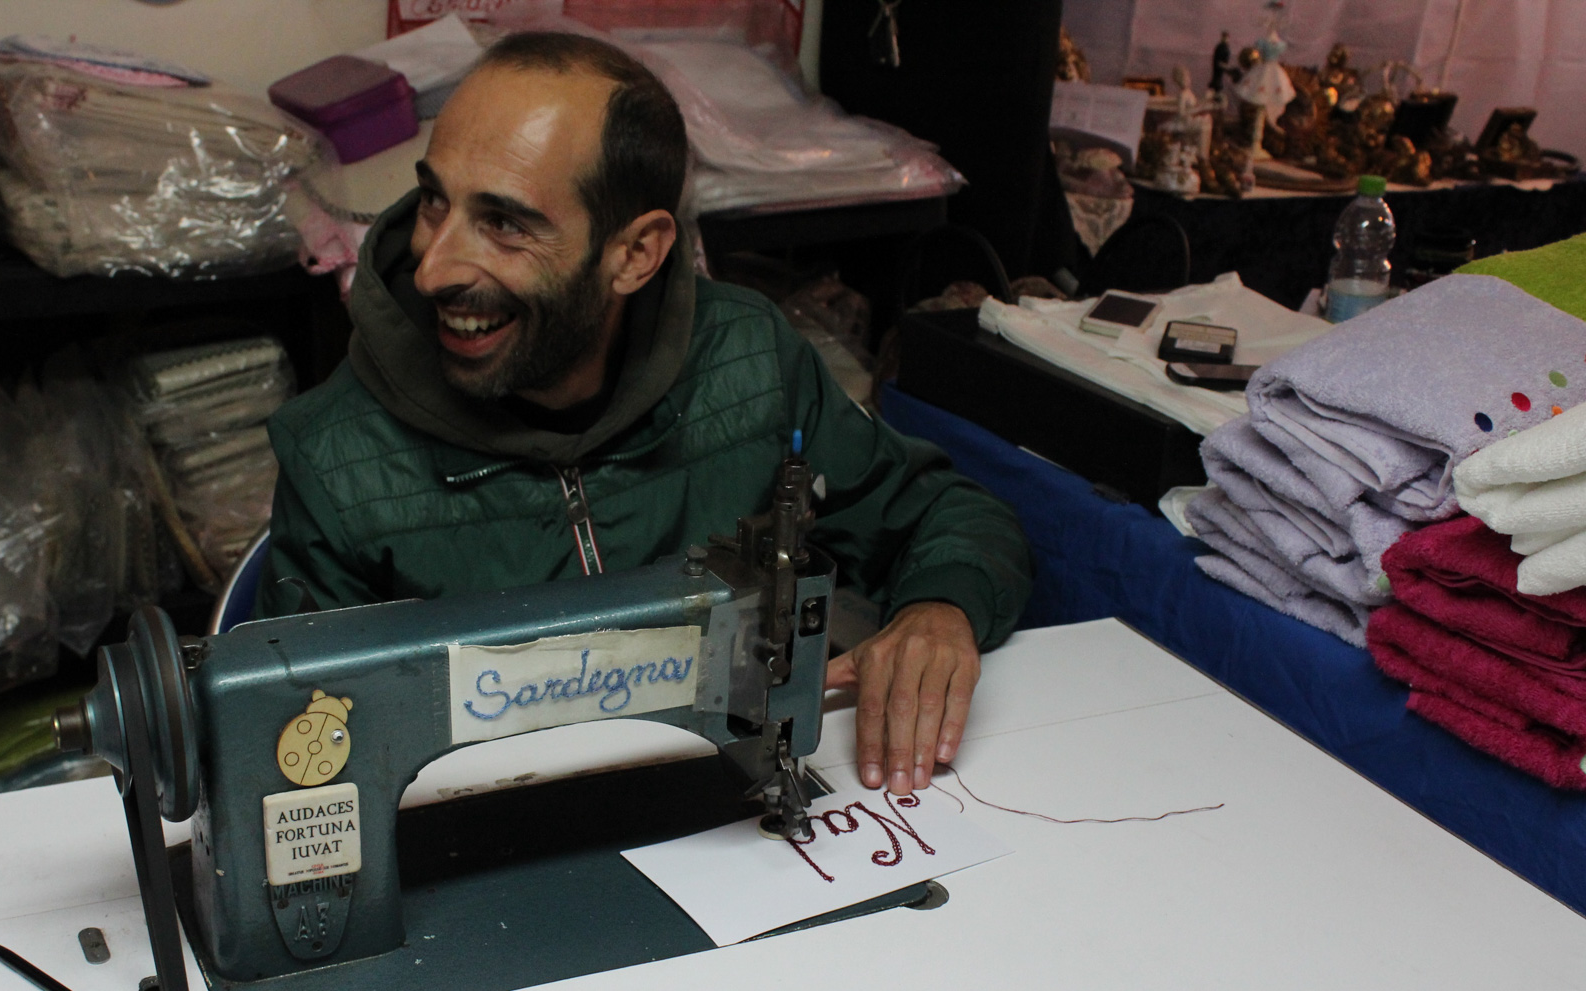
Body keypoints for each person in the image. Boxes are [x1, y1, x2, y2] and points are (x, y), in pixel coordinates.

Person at [257, 31, 1031, 796]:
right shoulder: (338, 456)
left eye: (506, 223)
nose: (434, 269)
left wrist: (940, 607)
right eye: (436, 201)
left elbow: (946, 513)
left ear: (635, 254)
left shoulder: (748, 363)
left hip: (720, 820)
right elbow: (297, 746)